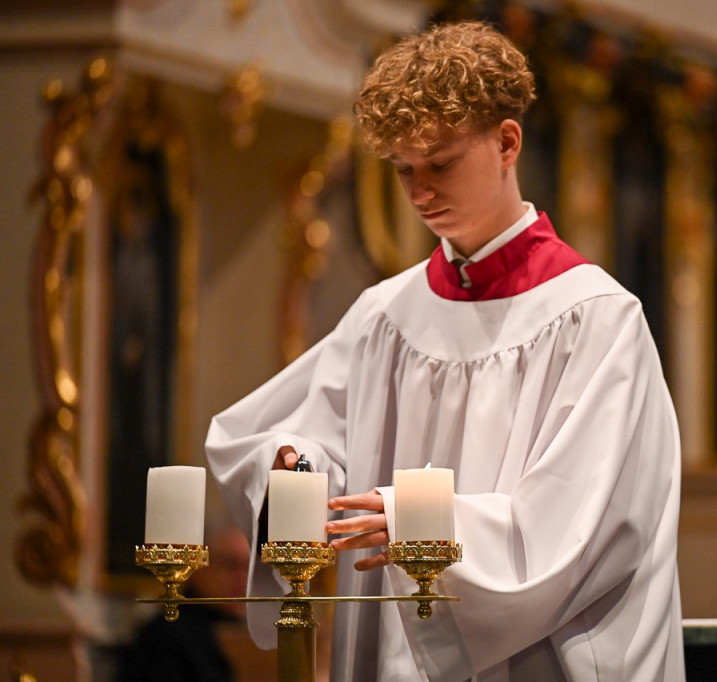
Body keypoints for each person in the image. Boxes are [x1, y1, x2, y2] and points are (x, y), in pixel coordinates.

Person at [206, 20, 684, 681]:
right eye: (403, 171)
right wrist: (297, 467)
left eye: (440, 163)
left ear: (507, 142)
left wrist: (416, 522)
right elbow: (301, 439)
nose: (421, 193)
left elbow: (585, 526)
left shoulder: (596, 320)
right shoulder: (387, 317)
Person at [116, 524, 251, 682]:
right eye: (231, 565)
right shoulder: (166, 634)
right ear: (197, 566)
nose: (242, 577)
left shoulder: (247, 630)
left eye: (249, 567)